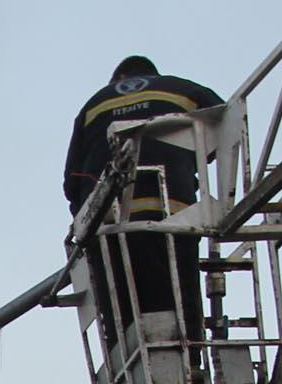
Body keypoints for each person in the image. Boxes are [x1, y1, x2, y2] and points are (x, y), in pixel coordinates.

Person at [62, 54, 226, 358]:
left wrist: (83, 225)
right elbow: (225, 126)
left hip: (111, 222)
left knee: (122, 303)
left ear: (117, 80)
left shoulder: (94, 105)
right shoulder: (184, 90)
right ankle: (189, 361)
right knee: (178, 292)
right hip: (175, 213)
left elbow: (73, 180)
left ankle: (129, 360)